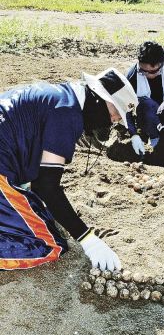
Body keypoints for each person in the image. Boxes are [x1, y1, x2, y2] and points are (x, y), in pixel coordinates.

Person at [0, 68, 138, 271]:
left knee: (42, 217)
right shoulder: (66, 113)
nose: (112, 122)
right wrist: (87, 238)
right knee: (48, 244)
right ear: (99, 99)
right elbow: (46, 186)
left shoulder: (61, 95)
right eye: (113, 114)